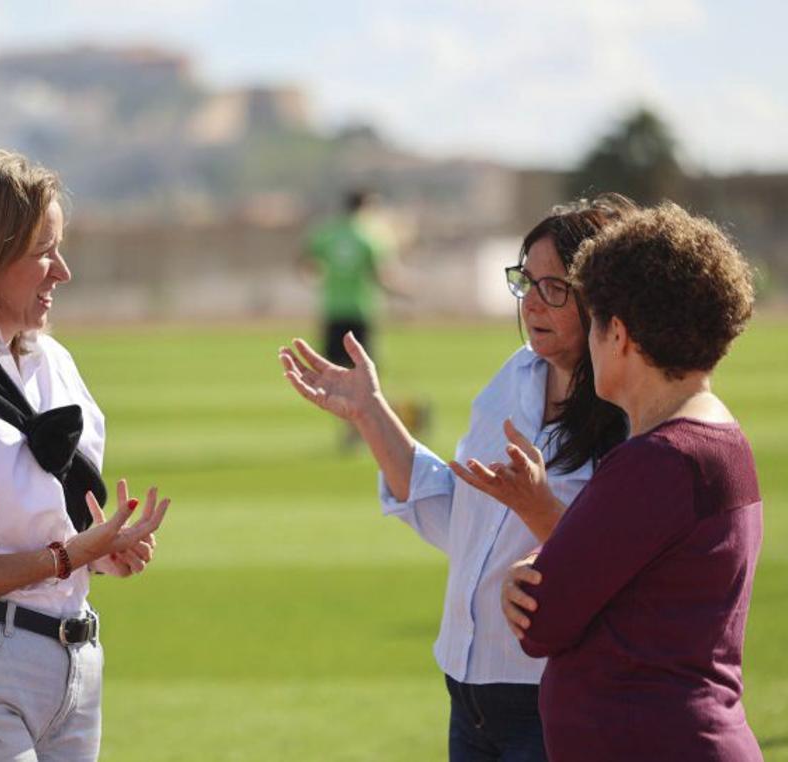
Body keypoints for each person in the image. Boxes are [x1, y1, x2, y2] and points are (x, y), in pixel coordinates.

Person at [279, 195, 633, 761]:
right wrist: (372, 414)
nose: (534, 303)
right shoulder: (512, 376)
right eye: (526, 282)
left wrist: (539, 507)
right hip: (468, 699)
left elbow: (626, 576)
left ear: (602, 297)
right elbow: (463, 525)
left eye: (555, 288)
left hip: (556, 702)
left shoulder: (634, 413)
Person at [0, 150, 170, 762]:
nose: (63, 271)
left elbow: (58, 531)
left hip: (76, 661)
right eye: (42, 252)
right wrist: (67, 556)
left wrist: (99, 553)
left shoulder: (54, 362)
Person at [498, 203, 761, 760]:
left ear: (616, 333)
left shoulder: (659, 460)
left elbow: (540, 621)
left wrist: (530, 572)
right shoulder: (712, 435)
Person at [300, 189, 401, 447]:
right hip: (360, 309)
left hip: (333, 308)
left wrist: (323, 278)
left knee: (336, 372)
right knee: (365, 371)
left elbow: (307, 264)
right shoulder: (372, 235)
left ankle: (348, 426)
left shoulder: (327, 232)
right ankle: (363, 425)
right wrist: (403, 294)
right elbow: (382, 274)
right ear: (367, 206)